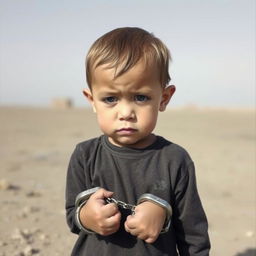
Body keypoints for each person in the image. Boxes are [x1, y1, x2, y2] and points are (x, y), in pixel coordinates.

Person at [65, 27, 210, 256]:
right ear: (92, 100)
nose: (125, 113)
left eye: (140, 97)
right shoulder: (85, 155)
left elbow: (194, 234)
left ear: (163, 98)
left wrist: (162, 212)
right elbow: (73, 215)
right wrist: (88, 216)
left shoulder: (174, 159)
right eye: (110, 99)